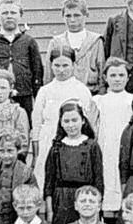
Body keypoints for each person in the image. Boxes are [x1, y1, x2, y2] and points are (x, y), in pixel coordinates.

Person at [33, 46, 100, 183]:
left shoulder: (81, 90)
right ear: (51, 66)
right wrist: (36, 152)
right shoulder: (45, 91)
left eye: (65, 65)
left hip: (74, 144)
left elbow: (89, 122)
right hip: (48, 141)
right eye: (57, 65)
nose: (61, 70)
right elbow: (37, 123)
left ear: (74, 65)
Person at [0, 0, 44, 118]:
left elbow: (37, 72)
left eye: (13, 12)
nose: (9, 16)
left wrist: (37, 100)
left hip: (23, 96)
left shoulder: (29, 41)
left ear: (20, 15)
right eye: (5, 13)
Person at [44, 102, 104, 224]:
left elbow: (98, 181)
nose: (71, 125)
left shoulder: (92, 146)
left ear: (83, 121)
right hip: (61, 201)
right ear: (61, 123)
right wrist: (50, 211)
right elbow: (49, 183)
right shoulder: (56, 148)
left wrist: (97, 208)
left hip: (85, 199)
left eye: (74, 120)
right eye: (66, 121)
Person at [93, 57, 133, 224]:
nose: (117, 79)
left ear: (127, 77)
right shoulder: (98, 100)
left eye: (121, 75)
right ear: (105, 77)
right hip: (106, 149)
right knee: (108, 182)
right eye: (113, 75)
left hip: (125, 149)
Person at [46, 0, 107, 94]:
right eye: (68, 16)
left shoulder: (96, 41)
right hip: (63, 93)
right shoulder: (56, 42)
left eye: (77, 15)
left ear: (86, 16)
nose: (72, 20)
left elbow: (102, 71)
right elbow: (48, 75)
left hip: (91, 93)